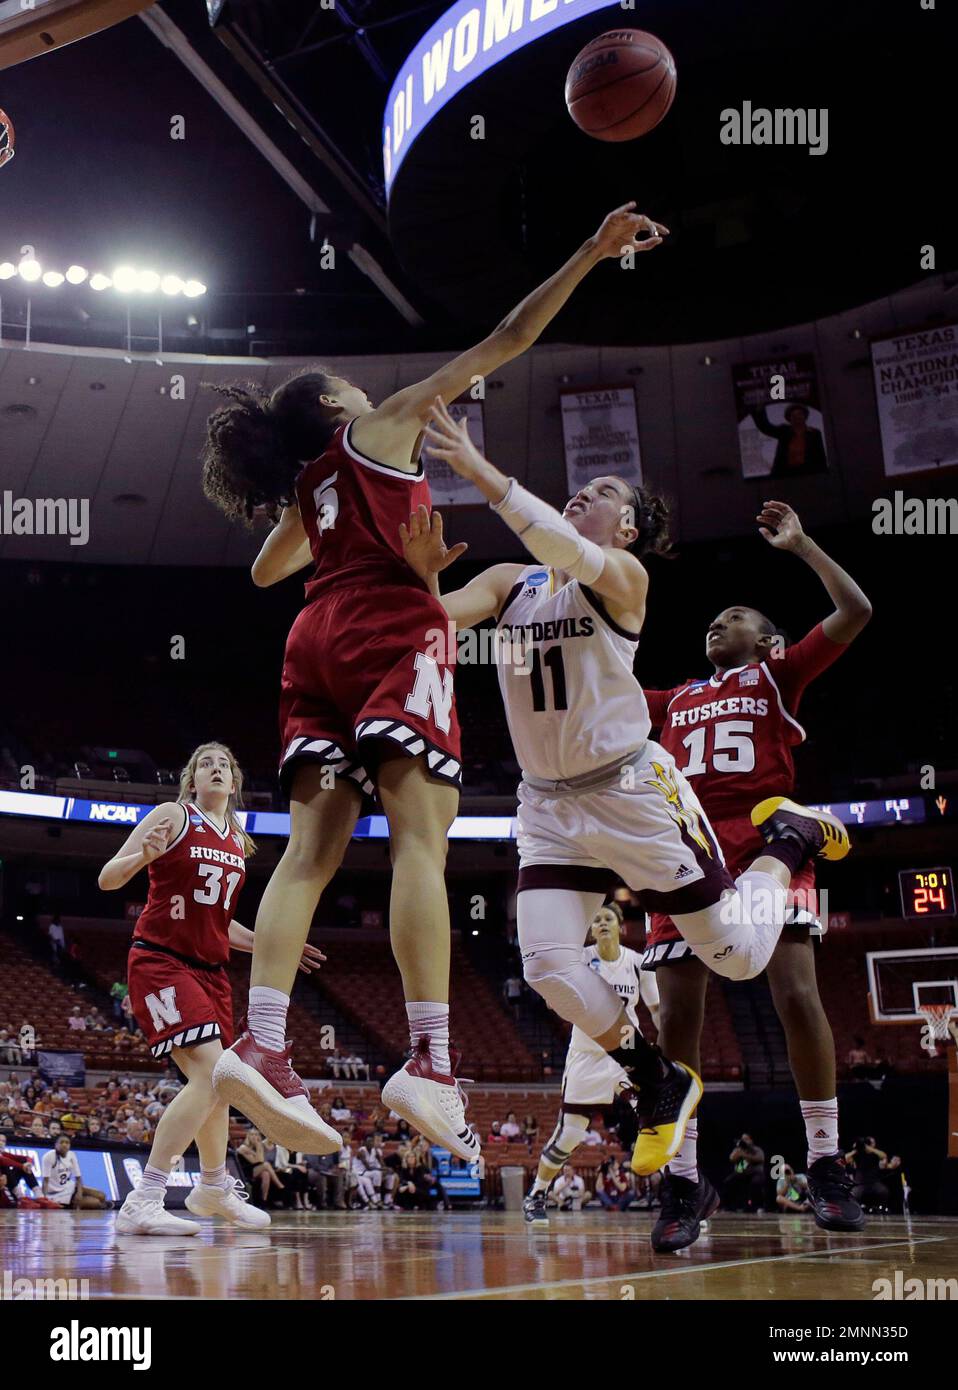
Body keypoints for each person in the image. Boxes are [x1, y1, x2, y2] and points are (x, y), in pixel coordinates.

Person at [201, 203, 667, 1160]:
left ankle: (266, 1042)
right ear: (337, 404)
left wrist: (372, 553)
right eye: (344, 383)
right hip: (386, 629)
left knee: (305, 858)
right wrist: (590, 246)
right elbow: (508, 337)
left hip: (312, 638)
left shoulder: (307, 485)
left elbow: (263, 576)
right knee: (421, 845)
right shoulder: (380, 425)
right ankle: (430, 1060)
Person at [404, 404, 851, 1188]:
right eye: (580, 486)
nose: (583, 493)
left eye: (603, 490)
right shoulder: (510, 583)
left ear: (629, 529)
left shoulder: (623, 579)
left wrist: (479, 472)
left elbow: (561, 543)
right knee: (545, 965)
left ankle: (789, 843)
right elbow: (431, 629)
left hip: (632, 795)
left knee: (742, 961)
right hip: (546, 805)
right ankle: (657, 1075)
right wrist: (421, 576)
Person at [642, 500, 871, 1247]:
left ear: (767, 639)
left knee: (797, 996)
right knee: (676, 1019)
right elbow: (598, 696)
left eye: (734, 615)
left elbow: (857, 608)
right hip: (687, 849)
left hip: (771, 840)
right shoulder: (673, 697)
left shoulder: (779, 672)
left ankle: (828, 1163)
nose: (718, 623)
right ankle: (682, 1181)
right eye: (712, 619)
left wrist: (803, 546)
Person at [100, 742, 327, 1236]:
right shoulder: (173, 815)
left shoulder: (238, 840)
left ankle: (214, 1186)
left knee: (221, 1085)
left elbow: (220, 925)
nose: (216, 769)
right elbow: (107, 878)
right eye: (206, 763)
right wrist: (143, 855)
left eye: (224, 764)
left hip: (210, 971)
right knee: (211, 1079)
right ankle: (146, 1197)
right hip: (161, 962)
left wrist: (277, 942)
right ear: (192, 779)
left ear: (234, 781)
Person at [522, 902, 660, 1227]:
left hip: (628, 1052)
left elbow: (656, 1010)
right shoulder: (579, 960)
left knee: (657, 1121)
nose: (601, 923)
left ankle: (683, 1195)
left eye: (608, 918)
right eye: (596, 919)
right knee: (570, 1134)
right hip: (587, 1053)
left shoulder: (638, 964)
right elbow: (553, 998)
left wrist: (664, 1050)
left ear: (621, 926)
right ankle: (537, 1193)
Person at [750, 403, 827, 478]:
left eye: (799, 414)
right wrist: (759, 411)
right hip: (784, 474)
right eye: (793, 415)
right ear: (789, 419)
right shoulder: (784, 430)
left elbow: (820, 456)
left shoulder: (815, 433)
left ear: (805, 416)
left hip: (807, 474)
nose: (797, 417)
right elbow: (766, 427)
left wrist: (824, 474)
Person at [41, 1135, 108, 1210]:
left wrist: (79, 1193)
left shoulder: (71, 1155)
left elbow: (78, 1178)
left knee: (102, 1195)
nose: (64, 1145)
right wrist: (44, 1199)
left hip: (70, 1187)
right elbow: (45, 1180)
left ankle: (104, 1205)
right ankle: (100, 1206)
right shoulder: (49, 1157)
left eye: (67, 1142)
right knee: (96, 1203)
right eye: (61, 1142)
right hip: (57, 1194)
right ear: (56, 1145)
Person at [723, 1134, 766, 1213]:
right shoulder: (739, 1149)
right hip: (742, 1174)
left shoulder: (756, 1149)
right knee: (728, 1182)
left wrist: (745, 1155)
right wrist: (738, 1152)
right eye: (743, 1139)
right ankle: (729, 1207)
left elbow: (760, 1158)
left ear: (751, 1140)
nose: (744, 1141)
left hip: (755, 1173)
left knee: (755, 1183)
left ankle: (756, 1207)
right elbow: (731, 1158)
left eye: (746, 1139)